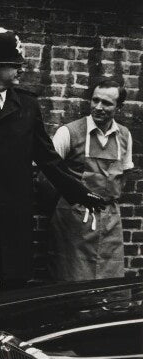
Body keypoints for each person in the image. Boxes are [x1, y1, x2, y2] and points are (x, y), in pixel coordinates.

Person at [0, 28, 105, 296]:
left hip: (14, 218)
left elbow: (48, 158)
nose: (21, 70)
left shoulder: (27, 107)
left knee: (13, 290)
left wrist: (80, 193)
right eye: (15, 65)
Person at [49, 80, 133, 281]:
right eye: (95, 100)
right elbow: (48, 176)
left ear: (118, 107)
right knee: (73, 281)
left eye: (106, 103)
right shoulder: (68, 132)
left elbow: (125, 175)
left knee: (108, 283)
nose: (98, 107)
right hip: (74, 220)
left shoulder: (124, 135)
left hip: (109, 221)